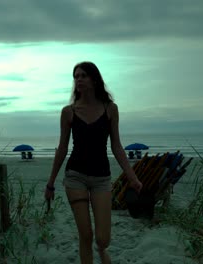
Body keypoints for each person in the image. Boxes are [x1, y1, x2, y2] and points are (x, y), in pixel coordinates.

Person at [45, 61, 142, 264]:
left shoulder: (110, 109)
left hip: (101, 179)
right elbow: (62, 148)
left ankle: (101, 251)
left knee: (102, 238)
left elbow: (116, 146)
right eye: (76, 76)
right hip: (75, 177)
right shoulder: (68, 112)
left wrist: (132, 177)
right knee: (86, 235)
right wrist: (51, 182)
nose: (79, 79)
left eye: (83, 75)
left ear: (94, 79)